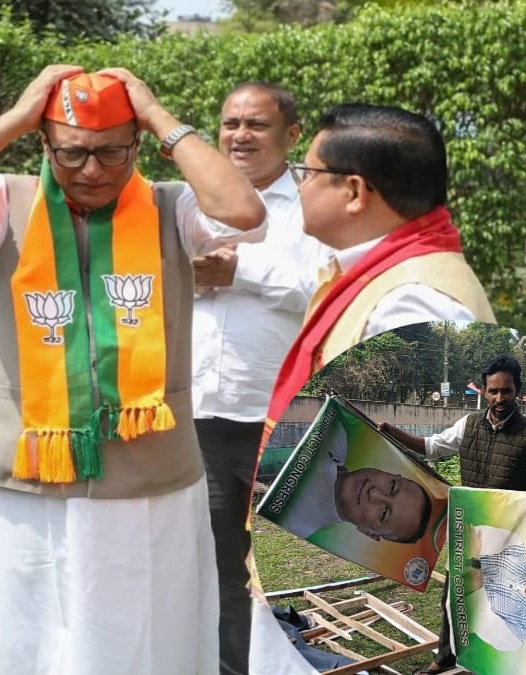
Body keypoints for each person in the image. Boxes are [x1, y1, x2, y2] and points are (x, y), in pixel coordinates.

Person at [0, 65, 268, 674]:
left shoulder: (172, 206)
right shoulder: (3, 202)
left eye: (113, 152)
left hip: (148, 473)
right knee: (19, 635)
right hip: (26, 467)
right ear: (45, 143)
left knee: (141, 638)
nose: (92, 171)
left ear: (137, 143)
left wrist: (157, 113)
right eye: (72, 153)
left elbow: (242, 211)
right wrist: (15, 117)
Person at [189, 81, 327, 675]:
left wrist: (239, 268)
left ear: (292, 136)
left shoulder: (311, 208)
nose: (239, 135)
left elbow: (320, 288)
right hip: (194, 412)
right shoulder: (188, 203)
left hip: (275, 416)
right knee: (209, 560)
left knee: (278, 563)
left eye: (257, 125)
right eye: (230, 123)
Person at [262, 103, 495, 437]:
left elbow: (411, 455)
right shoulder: (381, 275)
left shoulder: (412, 298)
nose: (301, 186)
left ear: (355, 191)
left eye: (308, 173)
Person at [379, 355, 526, 674]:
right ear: (484, 391)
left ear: (517, 390)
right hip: (469, 529)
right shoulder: (468, 425)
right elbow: (431, 447)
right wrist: (392, 431)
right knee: (455, 595)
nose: (500, 399)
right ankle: (444, 658)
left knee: (498, 602)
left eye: (507, 391)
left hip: (508, 535)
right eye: (493, 391)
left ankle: (492, 663)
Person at [273, 422, 432, 543]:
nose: (375, 493)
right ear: (393, 474)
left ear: (370, 533)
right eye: (392, 486)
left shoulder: (291, 520)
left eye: (384, 513)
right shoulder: (336, 433)